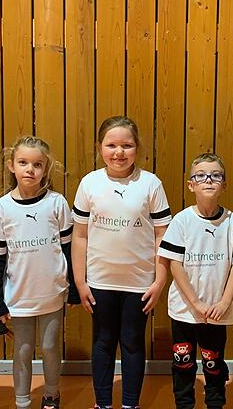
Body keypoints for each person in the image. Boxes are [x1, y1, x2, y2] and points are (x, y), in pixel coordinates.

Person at [72, 116, 171, 409]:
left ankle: (130, 404)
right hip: (99, 281)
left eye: (126, 145)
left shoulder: (151, 184)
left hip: (139, 283)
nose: (119, 152)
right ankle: (102, 403)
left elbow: (162, 236)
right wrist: (80, 280)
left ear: (137, 147)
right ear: (99, 147)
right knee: (103, 341)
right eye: (111, 145)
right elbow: (80, 236)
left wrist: (159, 281)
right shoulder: (90, 183)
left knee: (131, 341)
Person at [0, 136, 76, 409]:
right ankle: (22, 401)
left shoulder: (57, 203)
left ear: (45, 168)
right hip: (19, 297)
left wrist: (72, 289)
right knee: (22, 351)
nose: (30, 169)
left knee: (49, 348)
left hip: (52, 293)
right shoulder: (1, 209)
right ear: (12, 166)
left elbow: (70, 251)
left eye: (37, 164)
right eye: (23, 162)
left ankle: (51, 395)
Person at [158, 153, 233, 409]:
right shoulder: (181, 221)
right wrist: (195, 302)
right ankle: (184, 404)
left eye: (215, 175)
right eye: (201, 176)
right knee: (183, 362)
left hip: (216, 312)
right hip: (184, 311)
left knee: (213, 364)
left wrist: (223, 302)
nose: (208, 180)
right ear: (191, 184)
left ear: (225, 184)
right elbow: (174, 263)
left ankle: (215, 404)